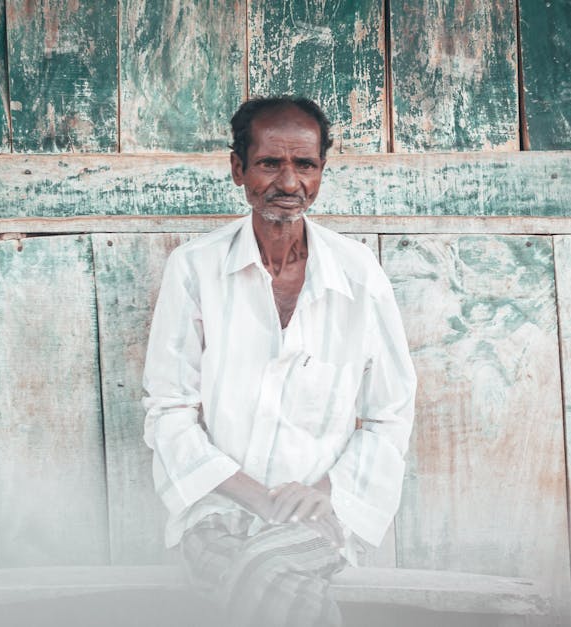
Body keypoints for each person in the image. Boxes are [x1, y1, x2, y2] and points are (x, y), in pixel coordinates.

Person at [142, 96, 416, 627]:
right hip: (217, 509)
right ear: (238, 170)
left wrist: (320, 494)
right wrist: (260, 500)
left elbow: (390, 415)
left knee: (267, 572)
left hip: (320, 513)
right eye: (270, 163)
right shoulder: (195, 270)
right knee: (265, 576)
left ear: (320, 173)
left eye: (305, 165)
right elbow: (169, 412)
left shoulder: (359, 276)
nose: (288, 183)